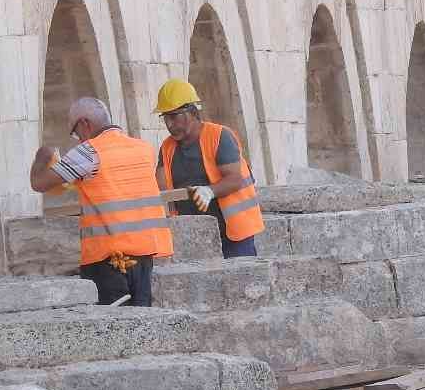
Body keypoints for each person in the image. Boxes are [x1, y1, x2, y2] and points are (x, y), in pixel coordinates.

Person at [29, 96, 171, 306]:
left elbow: (40, 183)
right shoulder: (143, 148)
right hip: (144, 257)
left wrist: (44, 155)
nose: (78, 138)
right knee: (143, 325)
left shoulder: (89, 152)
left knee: (112, 329)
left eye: (75, 132)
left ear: (85, 123)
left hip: (108, 261)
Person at [152, 79, 264, 259]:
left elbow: (235, 179)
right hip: (194, 236)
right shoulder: (167, 147)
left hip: (233, 232)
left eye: (174, 116)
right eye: (165, 118)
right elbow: (160, 187)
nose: (169, 124)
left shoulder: (219, 136)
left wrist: (209, 191)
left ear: (191, 112)